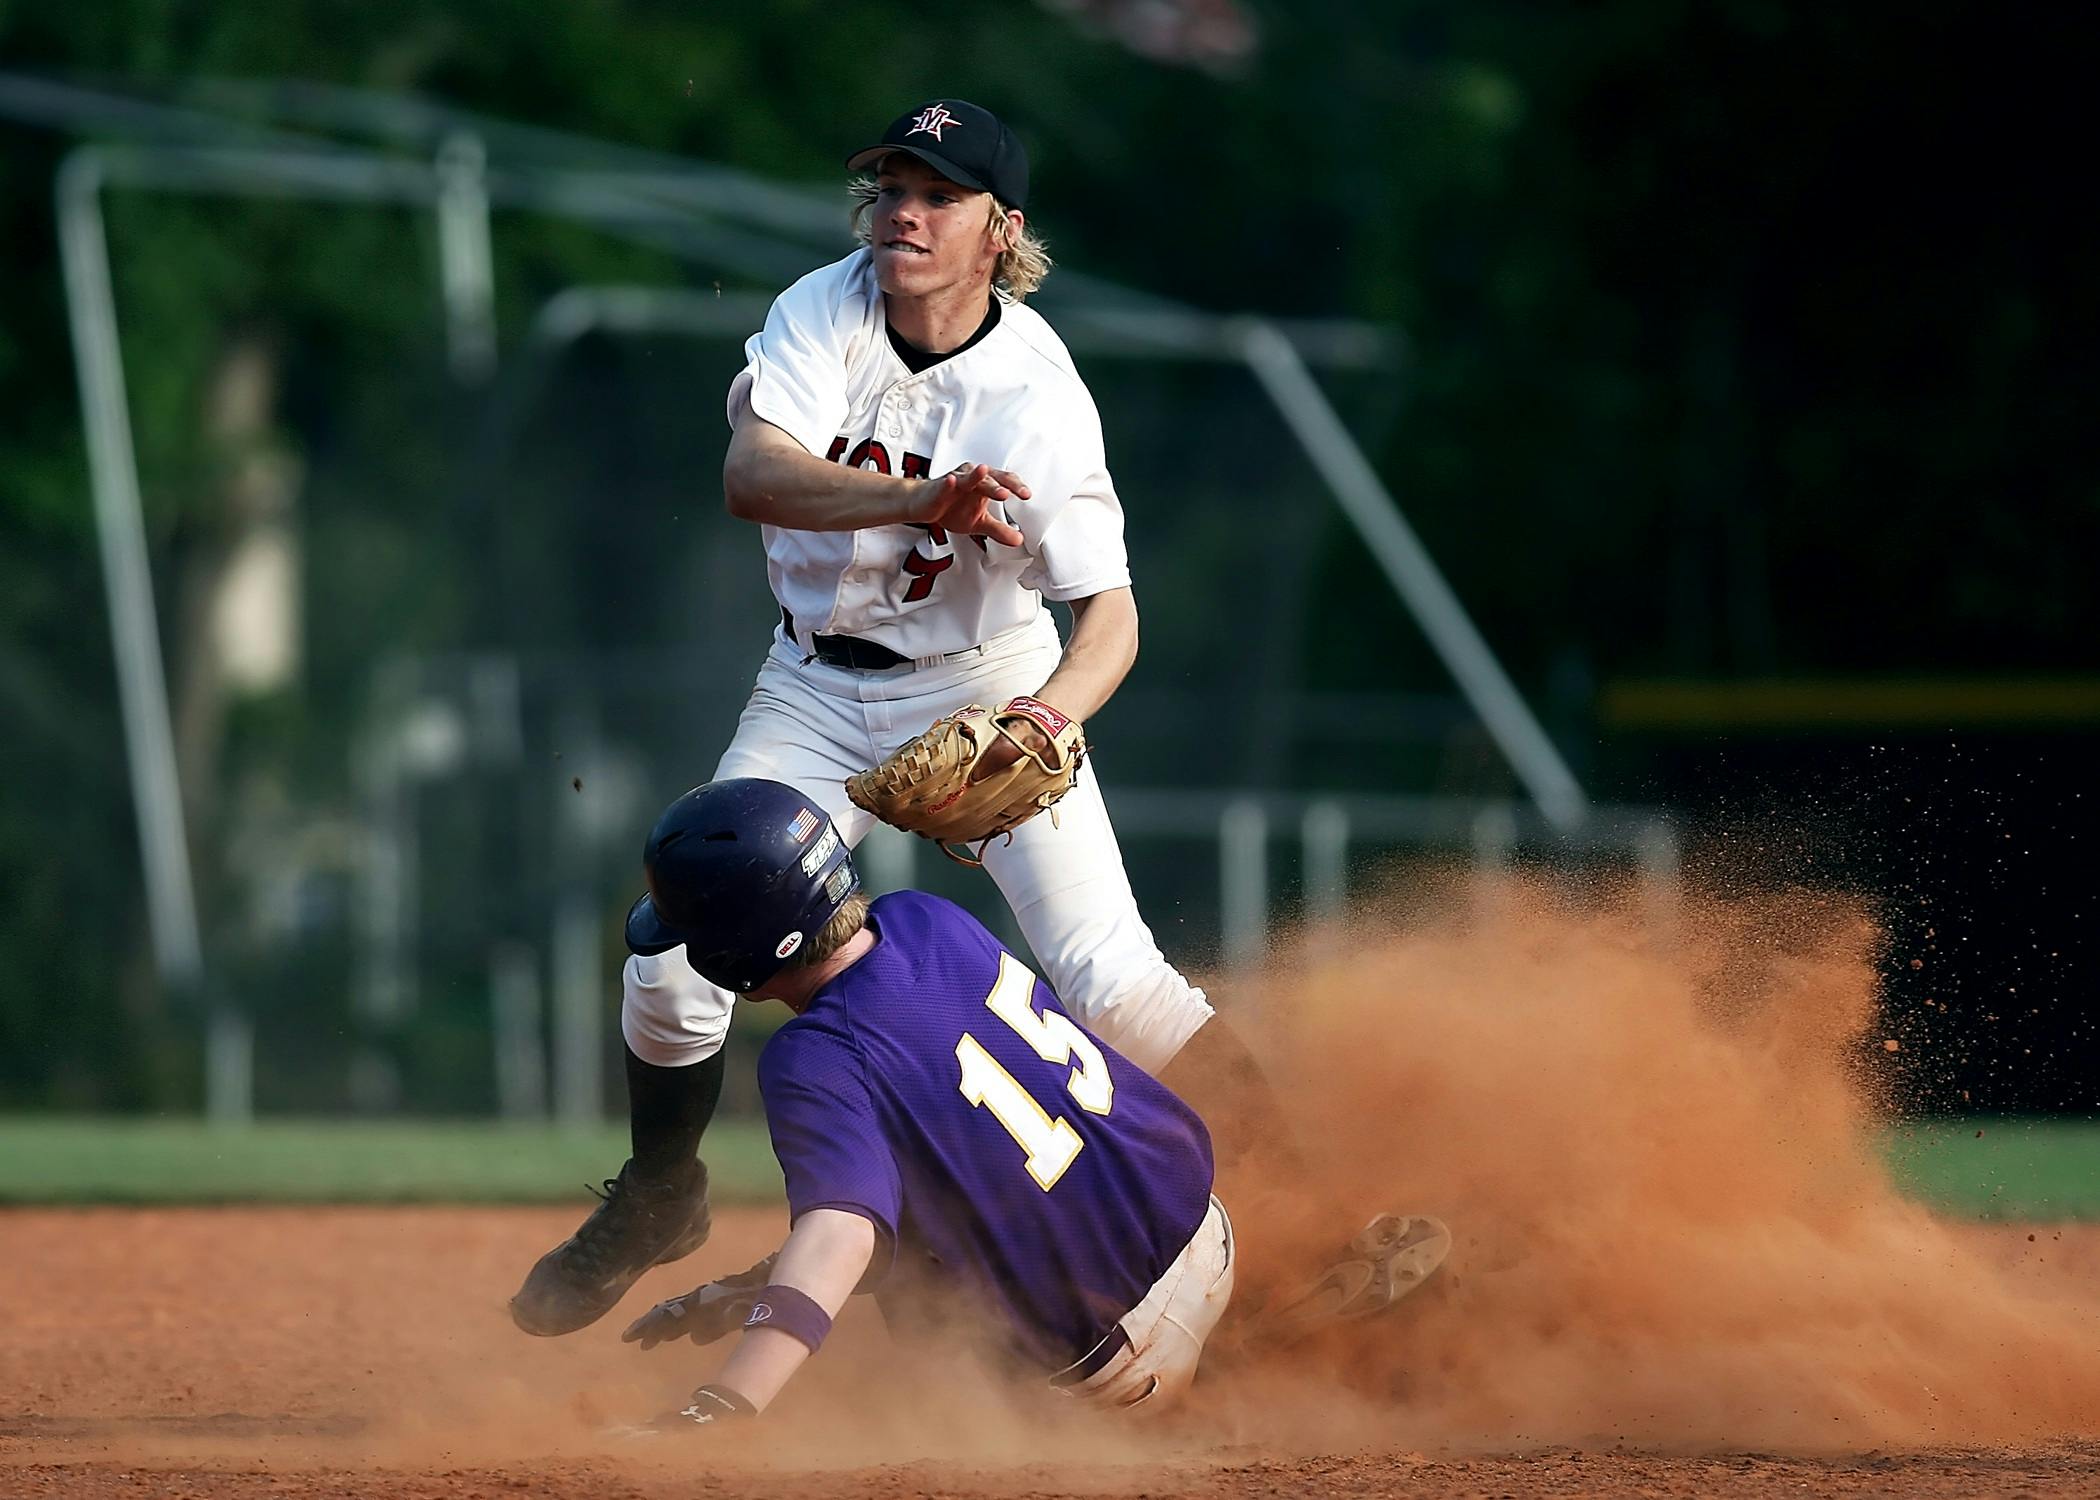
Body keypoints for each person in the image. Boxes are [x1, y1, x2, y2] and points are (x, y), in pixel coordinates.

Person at [510, 97, 1433, 1341]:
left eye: (939, 194)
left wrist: (1042, 724)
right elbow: (751, 476)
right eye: (891, 184)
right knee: (676, 956)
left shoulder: (1037, 395)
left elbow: (1111, 618)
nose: (903, 210)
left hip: (982, 680)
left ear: (1001, 230)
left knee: (1116, 982)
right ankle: (662, 1190)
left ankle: (1334, 1228)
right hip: (810, 688)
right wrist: (934, 498)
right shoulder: (819, 310)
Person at [614, 779, 1234, 1423]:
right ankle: (1250, 1342)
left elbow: (843, 1235)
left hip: (1117, 1363)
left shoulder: (813, 1054)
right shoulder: (925, 917)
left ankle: (1128, 1410)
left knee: (918, 1309)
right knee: (922, 1188)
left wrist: (724, 1404)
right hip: (1209, 1234)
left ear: (732, 952)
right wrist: (757, 1288)